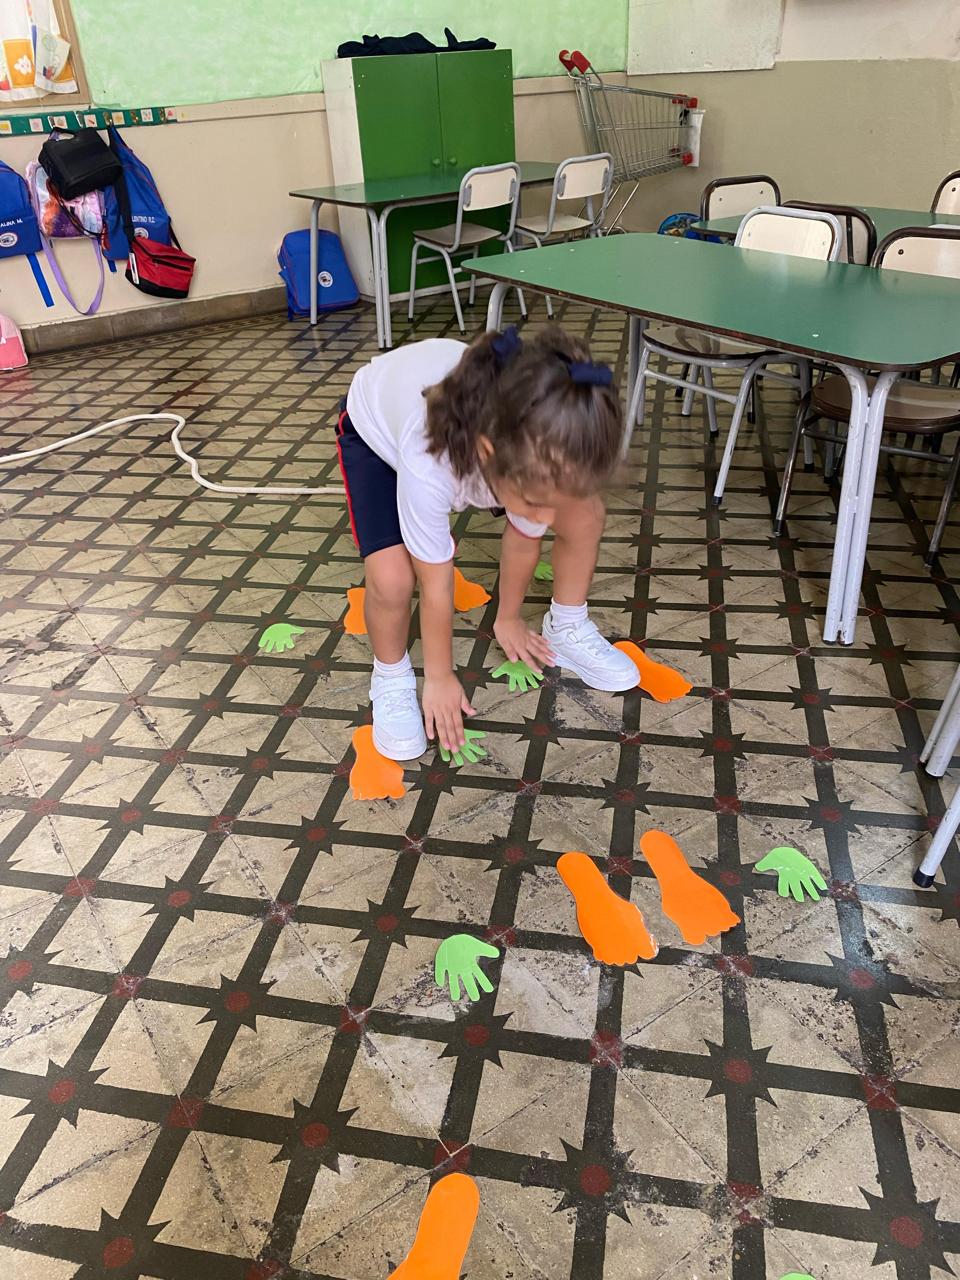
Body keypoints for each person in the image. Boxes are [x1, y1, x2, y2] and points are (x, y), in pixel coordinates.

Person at [336, 324, 638, 762]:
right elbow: (436, 585)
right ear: (489, 455)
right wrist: (439, 676)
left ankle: (567, 625)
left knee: (585, 513)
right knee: (392, 580)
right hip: (374, 431)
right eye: (535, 503)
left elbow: (525, 536)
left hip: (488, 439)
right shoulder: (428, 465)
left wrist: (508, 618)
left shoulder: (533, 435)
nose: (545, 519)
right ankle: (390, 676)